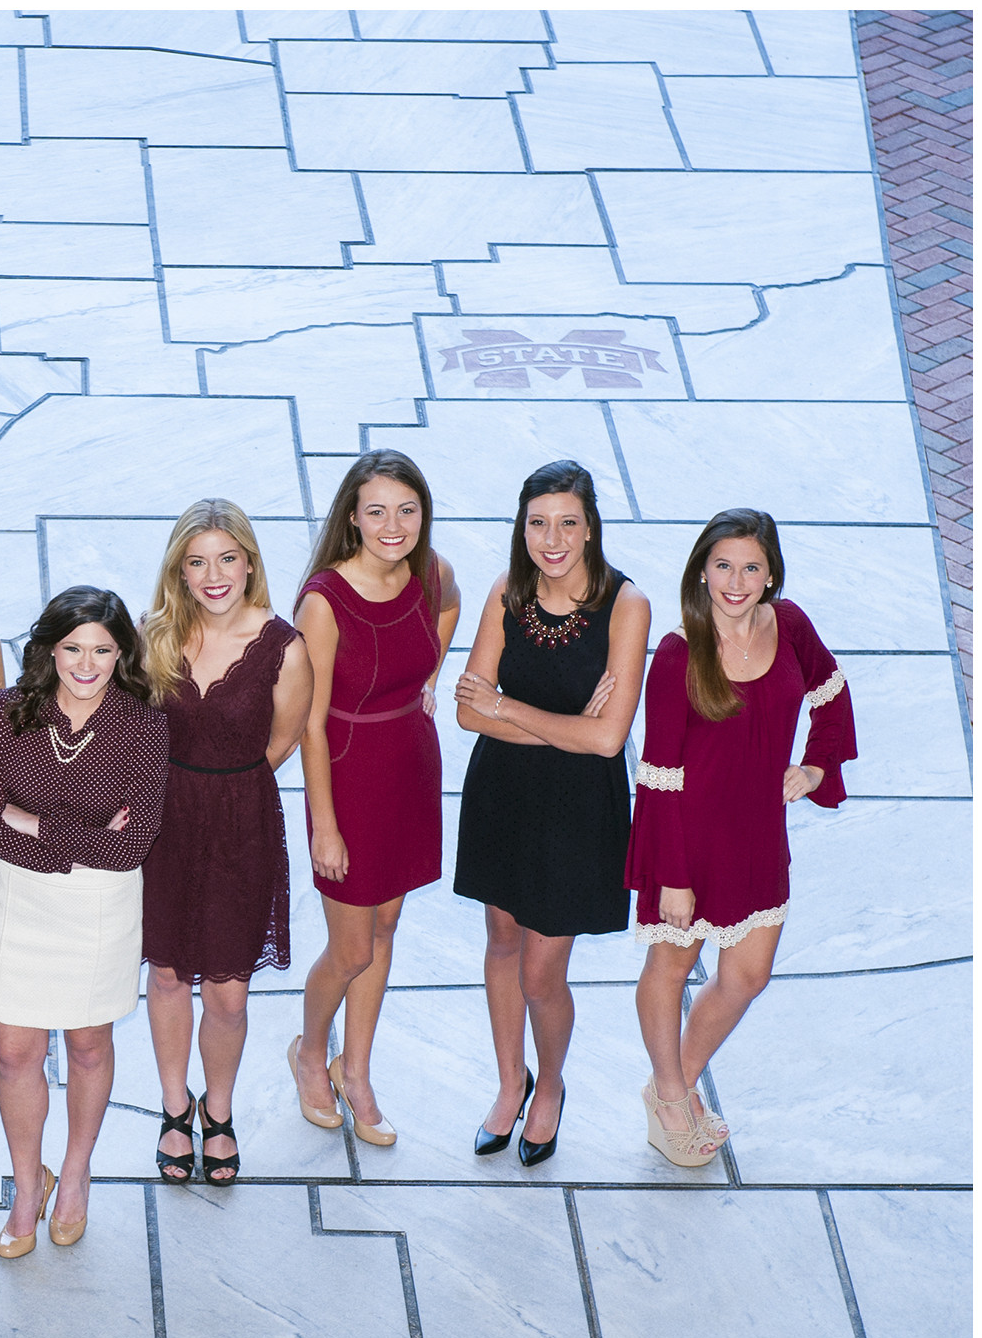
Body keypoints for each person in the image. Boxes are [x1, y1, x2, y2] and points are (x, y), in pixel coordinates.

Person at [627, 511, 854, 1165]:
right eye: (723, 565)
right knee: (670, 965)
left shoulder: (790, 626)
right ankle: (673, 1096)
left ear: (771, 573)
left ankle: (673, 1084)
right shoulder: (678, 655)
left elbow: (832, 695)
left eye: (751, 567)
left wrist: (816, 765)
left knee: (748, 974)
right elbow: (660, 773)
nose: (736, 580)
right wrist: (671, 873)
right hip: (688, 840)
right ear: (702, 569)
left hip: (757, 835)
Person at [450, 462, 649, 1168]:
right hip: (503, 793)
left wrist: (508, 707)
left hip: (578, 811)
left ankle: (552, 1086)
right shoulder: (507, 591)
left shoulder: (627, 606)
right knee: (501, 940)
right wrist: (552, 723)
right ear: (521, 526)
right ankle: (510, 1082)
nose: (552, 538)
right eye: (538, 522)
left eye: (568, 521)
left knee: (542, 972)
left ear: (591, 525)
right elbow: (468, 710)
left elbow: (607, 740)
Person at [0, 588, 167, 1257]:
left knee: (87, 1047)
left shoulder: (143, 726)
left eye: (103, 650)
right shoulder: (7, 712)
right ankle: (29, 1185)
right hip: (20, 901)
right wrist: (75, 840)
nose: (86, 664)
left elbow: (131, 848)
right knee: (13, 1052)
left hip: (101, 908)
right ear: (51, 648)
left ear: (121, 654)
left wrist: (30, 824)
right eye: (74, 648)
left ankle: (75, 1173)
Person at [286, 451, 461, 1148]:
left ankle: (354, 1069)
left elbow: (448, 607)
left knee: (385, 931)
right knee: (351, 944)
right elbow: (308, 721)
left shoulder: (431, 572)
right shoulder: (323, 602)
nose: (394, 525)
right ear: (352, 517)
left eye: (407, 510)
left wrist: (431, 674)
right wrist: (324, 827)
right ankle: (308, 1051)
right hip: (348, 770)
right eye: (378, 510)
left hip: (410, 763)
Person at [137, 502, 310, 1186]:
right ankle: (175, 1108)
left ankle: (220, 1110)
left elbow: (284, 741)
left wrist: (226, 787)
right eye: (197, 561)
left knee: (230, 993)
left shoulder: (283, 646)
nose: (214, 575)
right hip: (165, 820)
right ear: (179, 570)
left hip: (241, 819)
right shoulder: (151, 636)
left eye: (227, 558)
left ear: (249, 562)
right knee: (169, 974)